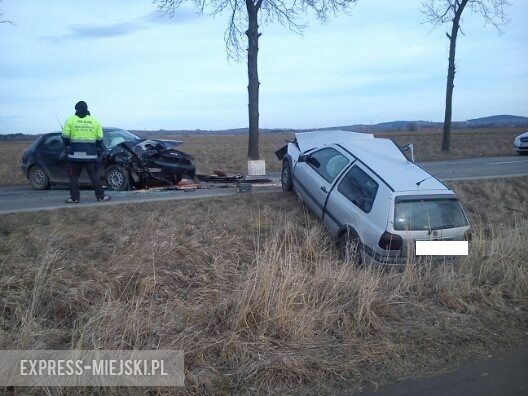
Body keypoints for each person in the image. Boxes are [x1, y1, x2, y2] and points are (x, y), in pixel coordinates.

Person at [62, 101, 111, 203]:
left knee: (74, 177)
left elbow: (65, 138)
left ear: (76, 109)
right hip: (90, 155)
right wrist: (95, 147)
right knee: (94, 176)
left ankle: (74, 198)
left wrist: (69, 144)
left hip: (74, 155)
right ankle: (101, 197)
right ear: (87, 109)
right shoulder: (94, 121)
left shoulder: (70, 120)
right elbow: (100, 138)